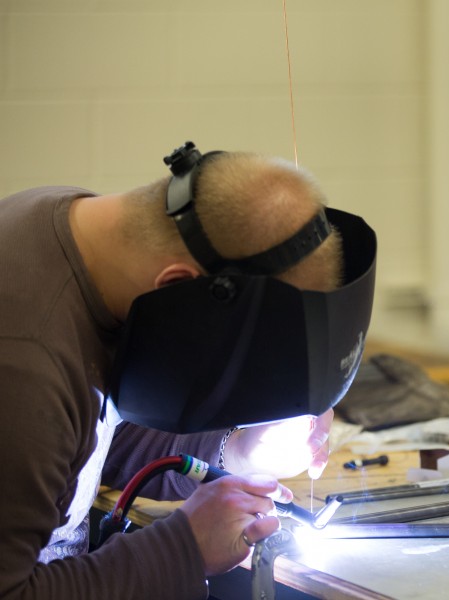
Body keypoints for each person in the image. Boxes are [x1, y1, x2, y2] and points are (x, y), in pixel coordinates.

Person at [0, 147, 371, 598]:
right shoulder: (24, 363)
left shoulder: (75, 232)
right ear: (177, 287)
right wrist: (184, 548)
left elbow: (80, 441)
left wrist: (235, 450)